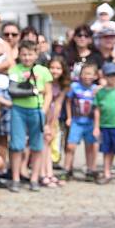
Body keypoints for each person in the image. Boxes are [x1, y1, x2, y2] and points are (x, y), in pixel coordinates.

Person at [7, 40, 52, 192]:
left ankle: (34, 178)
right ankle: (15, 178)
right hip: (18, 110)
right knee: (17, 145)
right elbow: (12, 91)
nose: (26, 57)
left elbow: (48, 93)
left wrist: (43, 111)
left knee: (37, 145)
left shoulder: (43, 71)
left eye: (30, 54)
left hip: (36, 110)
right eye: (24, 54)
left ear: (36, 54)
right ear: (19, 54)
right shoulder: (15, 69)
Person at [64, 63, 100, 181]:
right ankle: (67, 169)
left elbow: (98, 108)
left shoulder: (96, 89)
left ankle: (90, 170)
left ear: (95, 76)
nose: (87, 76)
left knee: (90, 146)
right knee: (71, 146)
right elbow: (68, 102)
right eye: (84, 73)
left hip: (90, 122)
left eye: (90, 74)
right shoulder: (74, 87)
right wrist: (69, 117)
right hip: (76, 121)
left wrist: (96, 125)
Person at [93, 62, 115, 184]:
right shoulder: (100, 93)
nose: (113, 78)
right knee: (107, 151)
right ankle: (107, 174)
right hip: (105, 126)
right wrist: (96, 127)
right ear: (104, 76)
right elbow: (97, 110)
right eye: (110, 75)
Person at [0, 22, 19, 171]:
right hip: (0, 92)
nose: (10, 37)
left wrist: (7, 66)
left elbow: (14, 68)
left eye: (13, 34)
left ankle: (14, 168)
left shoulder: (22, 50)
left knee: (15, 136)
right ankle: (1, 168)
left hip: (15, 94)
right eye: (6, 34)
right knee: (0, 135)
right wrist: (6, 66)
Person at [45, 57, 70, 186]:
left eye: (58, 68)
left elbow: (59, 103)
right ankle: (45, 173)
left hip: (53, 117)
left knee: (49, 144)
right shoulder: (44, 81)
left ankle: (49, 173)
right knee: (43, 144)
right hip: (43, 115)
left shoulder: (63, 84)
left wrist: (53, 123)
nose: (55, 71)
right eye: (52, 67)